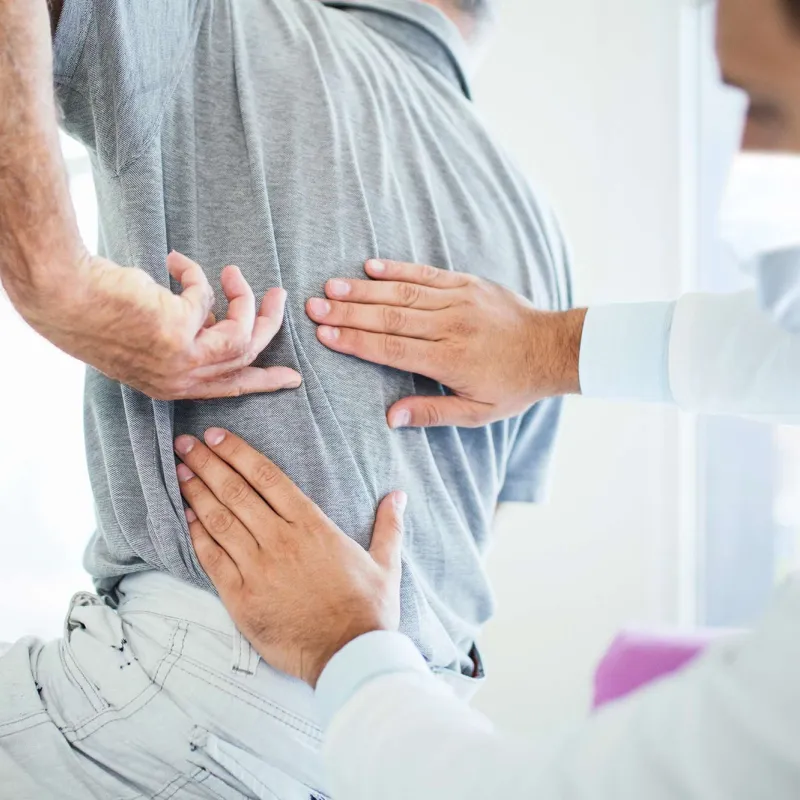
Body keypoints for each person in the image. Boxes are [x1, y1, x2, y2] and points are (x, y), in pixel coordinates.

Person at [170, 0, 800, 797]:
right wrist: (552, 345)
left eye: (768, 107)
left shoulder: (233, 31)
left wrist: (346, 644)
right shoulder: (536, 226)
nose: (742, 159)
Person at [0, 0, 571, 797]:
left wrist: (56, 281)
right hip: (393, 739)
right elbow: (467, 547)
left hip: (188, 714)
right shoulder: (539, 232)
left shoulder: (225, 20)